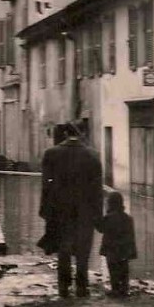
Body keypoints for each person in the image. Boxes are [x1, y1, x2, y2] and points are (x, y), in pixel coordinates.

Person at [38, 123, 104, 297]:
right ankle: (82, 285)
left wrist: (45, 211)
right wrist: (98, 215)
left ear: (65, 134)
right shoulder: (93, 156)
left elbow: (46, 186)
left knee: (63, 248)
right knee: (83, 249)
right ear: (82, 133)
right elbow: (97, 189)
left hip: (60, 210)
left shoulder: (51, 154)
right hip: (85, 210)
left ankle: (63, 286)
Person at [98, 191, 137, 298]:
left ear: (110, 204)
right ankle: (124, 289)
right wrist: (131, 252)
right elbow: (131, 237)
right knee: (124, 271)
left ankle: (115, 290)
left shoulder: (108, 218)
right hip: (124, 251)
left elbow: (100, 228)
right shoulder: (128, 219)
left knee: (113, 271)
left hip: (111, 251)